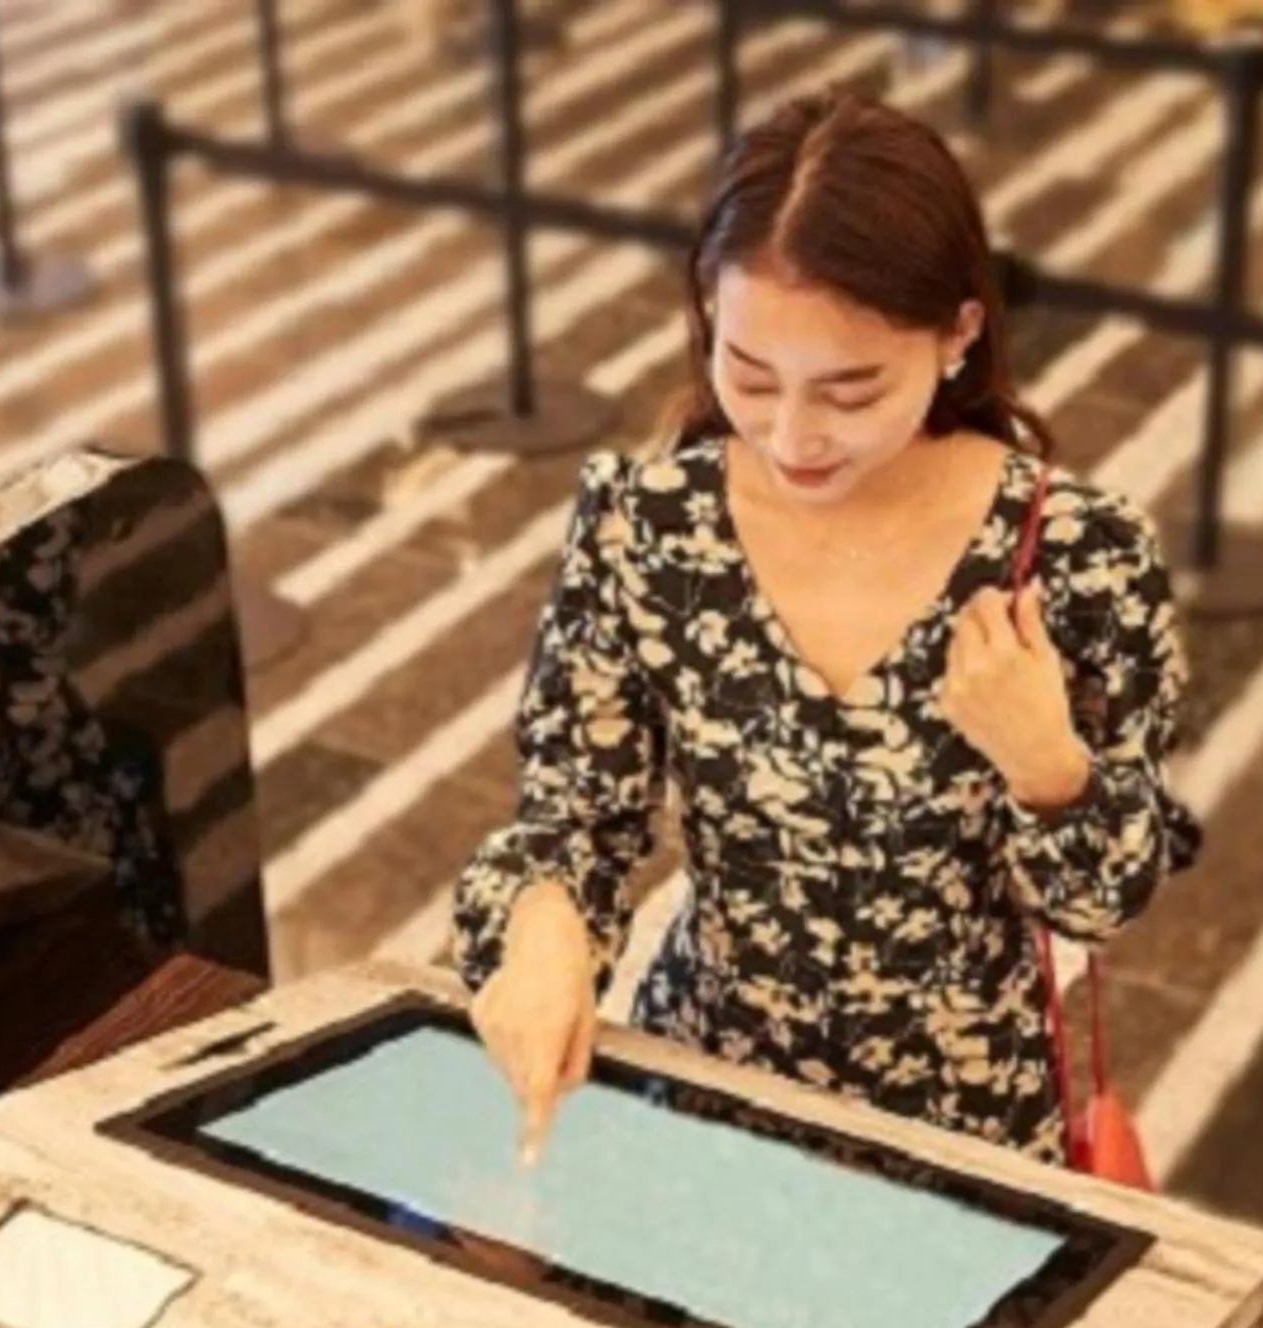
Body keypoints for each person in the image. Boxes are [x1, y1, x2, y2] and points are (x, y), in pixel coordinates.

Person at [450, 87, 1202, 1168]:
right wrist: (541, 930)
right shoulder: (645, 522)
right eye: (749, 374)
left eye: (851, 391)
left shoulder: (1080, 554)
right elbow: (575, 821)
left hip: (964, 1134)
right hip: (700, 1091)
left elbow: (1099, 906)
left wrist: (1048, 767)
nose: (791, 437)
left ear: (957, 338)